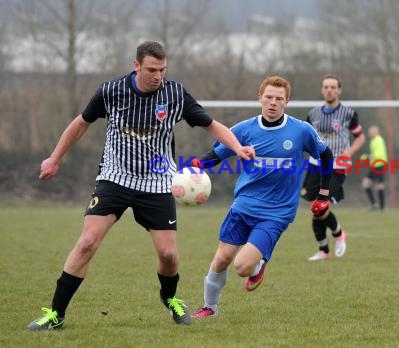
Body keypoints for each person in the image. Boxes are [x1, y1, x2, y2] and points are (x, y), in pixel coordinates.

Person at [27, 41, 254, 330]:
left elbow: (212, 125)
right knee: (86, 243)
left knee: (168, 255)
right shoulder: (111, 91)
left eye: (162, 69)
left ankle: (170, 298)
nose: (157, 76)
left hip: (157, 182)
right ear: (136, 66)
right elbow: (81, 123)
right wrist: (54, 158)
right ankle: (56, 314)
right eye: (151, 69)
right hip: (115, 178)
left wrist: (237, 147)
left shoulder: (175, 94)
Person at [191, 76, 333, 318]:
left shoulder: (301, 131)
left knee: (242, 267)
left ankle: (258, 263)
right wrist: (195, 166)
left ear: (287, 101)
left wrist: (323, 195)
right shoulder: (244, 130)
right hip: (243, 205)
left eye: (279, 99)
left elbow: (326, 156)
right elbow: (217, 154)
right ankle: (210, 308)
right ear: (260, 98)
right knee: (223, 257)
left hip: (276, 212)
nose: (273, 103)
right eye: (268, 97)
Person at [301, 74, 365, 261]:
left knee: (322, 206)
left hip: (337, 165)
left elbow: (360, 137)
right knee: (316, 208)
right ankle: (323, 250)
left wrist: (349, 152)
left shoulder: (349, 114)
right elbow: (306, 138)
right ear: (322, 90)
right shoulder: (313, 114)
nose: (329, 90)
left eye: (333, 87)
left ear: (339, 90)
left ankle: (338, 235)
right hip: (315, 165)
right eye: (326, 87)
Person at [361, 125, 388, 211]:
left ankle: (382, 208)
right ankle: (374, 205)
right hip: (374, 166)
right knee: (365, 184)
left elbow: (378, 155)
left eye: (371, 132)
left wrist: (367, 156)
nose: (369, 134)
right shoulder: (373, 141)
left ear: (376, 132)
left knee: (379, 185)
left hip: (380, 165)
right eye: (369, 132)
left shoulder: (378, 140)